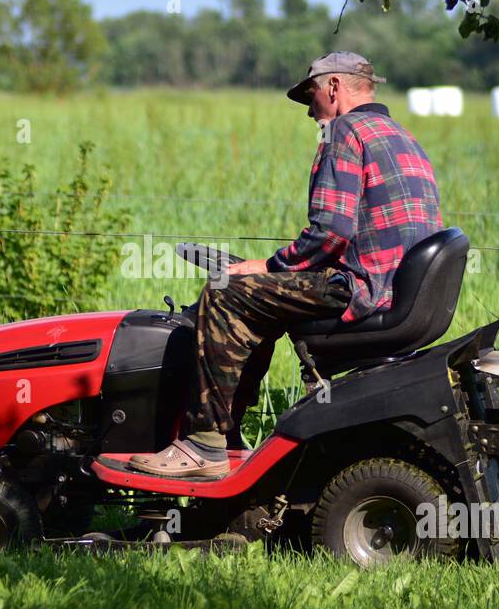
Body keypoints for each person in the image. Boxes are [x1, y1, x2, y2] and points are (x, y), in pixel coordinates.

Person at [127, 52, 444, 478]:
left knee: (223, 292)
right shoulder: (401, 136)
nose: (310, 110)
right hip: (395, 289)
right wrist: (273, 270)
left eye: (311, 94)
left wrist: (269, 265)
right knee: (254, 299)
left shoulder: (343, 132)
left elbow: (331, 232)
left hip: (360, 289)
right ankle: (231, 437)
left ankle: (202, 446)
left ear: (333, 88)